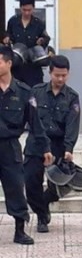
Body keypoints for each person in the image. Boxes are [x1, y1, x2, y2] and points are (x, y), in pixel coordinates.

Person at [0, 45, 51, 245]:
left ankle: (20, 230)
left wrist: (45, 147)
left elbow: (35, 122)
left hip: (10, 147)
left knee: (15, 187)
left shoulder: (23, 91)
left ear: (9, 63)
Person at [23, 55, 80, 233]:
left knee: (60, 185)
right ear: (50, 73)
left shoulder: (72, 97)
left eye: (64, 75)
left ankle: (45, 202)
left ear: (68, 74)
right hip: (37, 143)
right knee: (31, 182)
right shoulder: (36, 92)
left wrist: (69, 148)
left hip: (58, 145)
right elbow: (30, 119)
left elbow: (73, 124)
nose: (60, 79)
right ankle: (41, 216)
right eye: (57, 75)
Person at [2, 0, 51, 88]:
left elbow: (46, 38)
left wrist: (42, 41)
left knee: (35, 96)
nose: (27, 13)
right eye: (24, 10)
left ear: (33, 8)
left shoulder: (38, 23)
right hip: (16, 67)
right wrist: (6, 39)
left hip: (33, 67)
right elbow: (8, 35)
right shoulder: (13, 21)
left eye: (29, 10)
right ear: (20, 8)